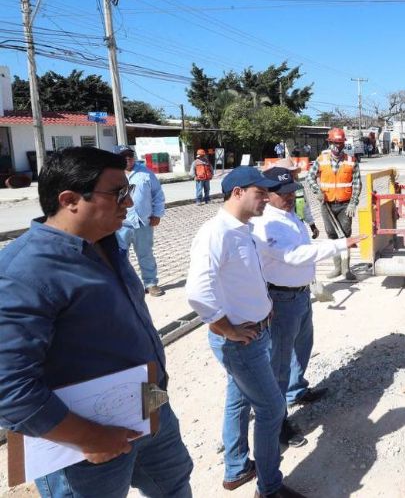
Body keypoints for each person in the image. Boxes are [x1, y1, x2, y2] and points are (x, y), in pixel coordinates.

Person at [0, 147, 192, 497]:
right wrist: (90, 438)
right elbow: (9, 389)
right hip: (84, 445)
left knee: (174, 486)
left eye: (129, 192)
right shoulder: (22, 273)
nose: (129, 204)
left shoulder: (107, 243)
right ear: (71, 199)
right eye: (119, 194)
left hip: (150, 405)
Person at [185, 167, 307, 498]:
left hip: (254, 333)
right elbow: (198, 291)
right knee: (270, 409)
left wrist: (263, 306)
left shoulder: (245, 229)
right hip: (241, 341)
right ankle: (269, 487)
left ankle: (236, 468)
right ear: (238, 192)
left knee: (238, 397)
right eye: (260, 192)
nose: (267, 198)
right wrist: (226, 328)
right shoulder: (216, 233)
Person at [252, 167, 364, 410]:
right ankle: (277, 418)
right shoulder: (267, 223)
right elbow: (295, 255)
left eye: (292, 191)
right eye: (284, 193)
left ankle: (296, 390)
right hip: (281, 298)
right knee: (279, 360)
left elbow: (307, 244)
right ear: (268, 194)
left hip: (300, 294)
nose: (290, 196)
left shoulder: (289, 215)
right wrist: (339, 244)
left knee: (302, 346)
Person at [308, 128, 362, 280]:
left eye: (340, 144)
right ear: (329, 143)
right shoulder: (321, 160)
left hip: (345, 205)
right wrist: (316, 190)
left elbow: (357, 184)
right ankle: (337, 267)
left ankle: (346, 270)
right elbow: (310, 178)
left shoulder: (351, 161)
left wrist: (353, 203)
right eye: (335, 143)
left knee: (345, 236)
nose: (337, 147)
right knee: (332, 235)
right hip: (327, 205)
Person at [115, 145, 166, 297]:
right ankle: (124, 286)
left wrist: (157, 214)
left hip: (143, 222)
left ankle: (151, 284)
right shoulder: (112, 174)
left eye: (130, 155)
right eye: (123, 155)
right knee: (120, 256)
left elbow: (157, 194)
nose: (128, 158)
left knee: (146, 254)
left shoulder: (146, 173)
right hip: (120, 224)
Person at [274, 157, 321, 239]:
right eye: (289, 172)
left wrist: (312, 225)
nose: (293, 174)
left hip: (298, 223)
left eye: (293, 172)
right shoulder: (272, 190)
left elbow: (304, 206)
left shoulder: (298, 187)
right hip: (280, 226)